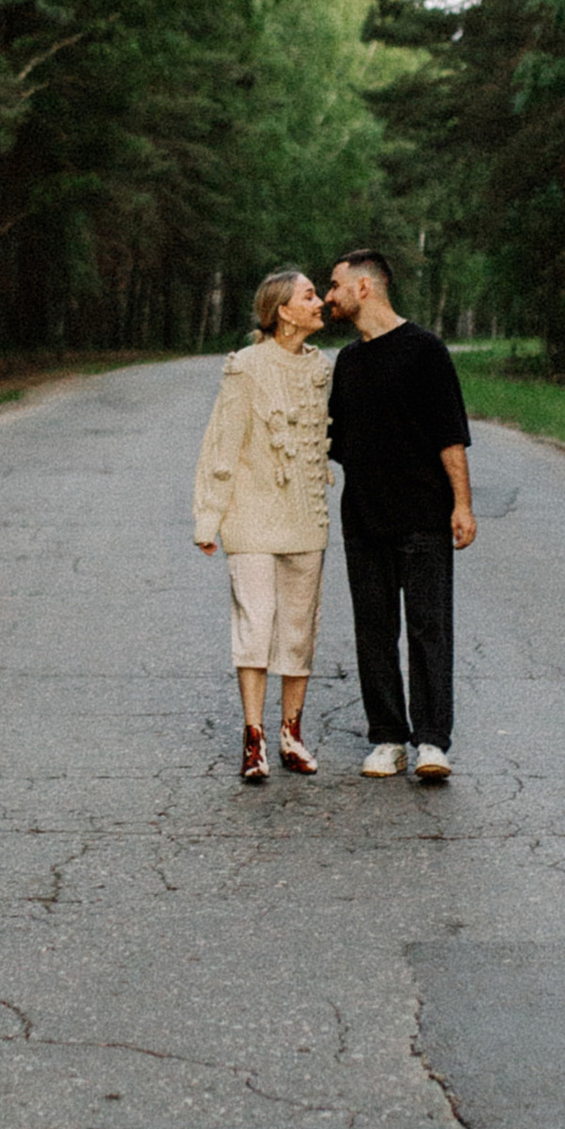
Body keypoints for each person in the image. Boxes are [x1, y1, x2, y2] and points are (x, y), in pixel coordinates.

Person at [323, 247, 474, 782]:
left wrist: (462, 504)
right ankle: (387, 737)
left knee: (430, 630)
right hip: (363, 519)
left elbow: (450, 435)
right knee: (374, 631)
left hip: (424, 518)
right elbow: (329, 441)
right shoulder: (347, 362)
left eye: (335, 285)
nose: (328, 296)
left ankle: (432, 741)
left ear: (364, 288)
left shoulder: (425, 350)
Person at [191, 267, 332, 785]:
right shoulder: (245, 368)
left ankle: (291, 733)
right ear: (283, 312)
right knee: (256, 624)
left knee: (299, 630)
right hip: (250, 519)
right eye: (309, 295)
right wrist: (209, 517)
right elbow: (221, 443)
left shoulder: (323, 368)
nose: (320, 303)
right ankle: (253, 739)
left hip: (306, 520)